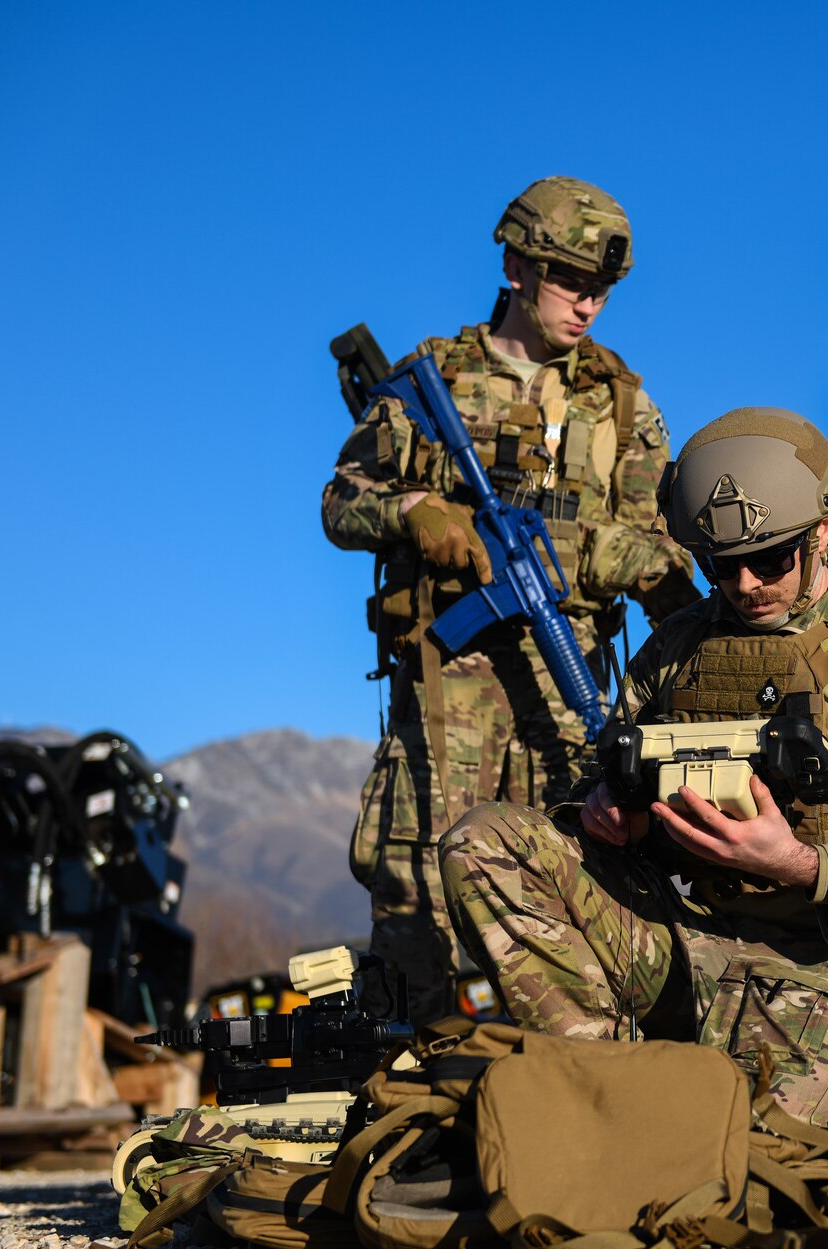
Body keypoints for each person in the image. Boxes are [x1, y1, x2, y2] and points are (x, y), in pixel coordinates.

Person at [439, 408, 828, 1136]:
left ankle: (670, 1109)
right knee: (485, 843)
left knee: (763, 1143)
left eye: (769, 559)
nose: (743, 584)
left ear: (823, 531)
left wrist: (804, 865)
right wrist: (609, 811)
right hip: (682, 941)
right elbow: (600, 774)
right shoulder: (673, 650)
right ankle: (606, 1082)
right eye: (719, 566)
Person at [323, 177, 697, 1023]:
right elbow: (340, 502)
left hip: (567, 688)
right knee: (412, 884)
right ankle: (416, 1081)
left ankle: (568, 1081)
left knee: (568, 877)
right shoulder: (433, 381)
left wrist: (603, 555)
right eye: (572, 283)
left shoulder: (622, 407)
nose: (590, 306)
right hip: (446, 686)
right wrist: (414, 509)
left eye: (603, 290)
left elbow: (654, 544)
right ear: (517, 266)